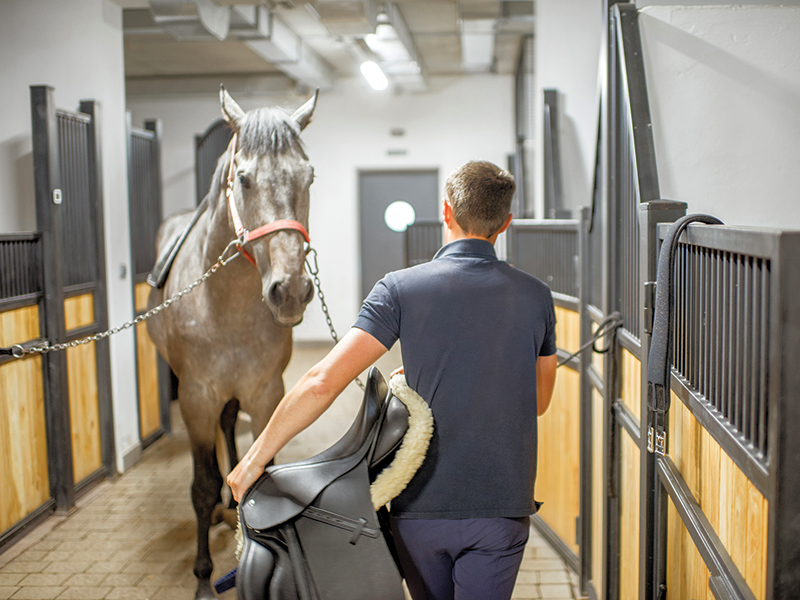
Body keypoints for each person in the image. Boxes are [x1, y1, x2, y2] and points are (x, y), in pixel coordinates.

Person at [228, 160, 558, 600]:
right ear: (506, 223)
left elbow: (323, 381)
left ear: (446, 212)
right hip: (501, 505)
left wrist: (254, 459)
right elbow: (539, 400)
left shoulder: (400, 288)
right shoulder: (536, 295)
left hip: (419, 506)